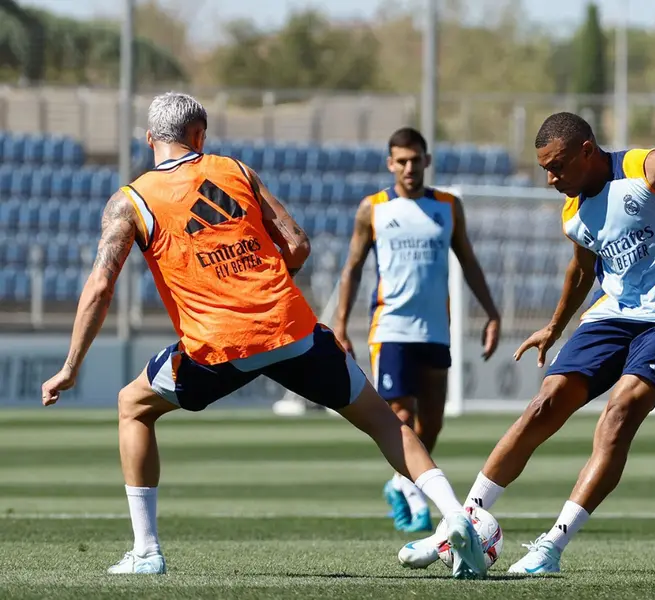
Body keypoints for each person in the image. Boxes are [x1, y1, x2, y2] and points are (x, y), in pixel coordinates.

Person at [39, 92, 490, 580]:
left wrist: (70, 366)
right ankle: (454, 516)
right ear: (199, 136)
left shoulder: (130, 201)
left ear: (150, 139)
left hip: (217, 347)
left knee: (133, 406)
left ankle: (146, 551)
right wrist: (264, 281)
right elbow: (296, 244)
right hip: (290, 327)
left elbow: (101, 285)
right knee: (384, 421)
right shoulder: (235, 170)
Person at [395, 111, 655, 575]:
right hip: (611, 314)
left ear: (586, 151)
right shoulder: (573, 209)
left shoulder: (648, 167)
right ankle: (459, 522)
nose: (549, 179)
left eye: (557, 166)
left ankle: (551, 547)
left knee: (618, 414)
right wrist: (555, 327)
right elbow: (581, 270)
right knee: (545, 402)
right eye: (544, 168)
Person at [331, 127, 501, 533]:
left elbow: (469, 261)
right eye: (401, 161)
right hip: (390, 328)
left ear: (427, 160)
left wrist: (492, 312)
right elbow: (353, 268)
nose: (409, 167)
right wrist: (339, 323)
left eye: (415, 159)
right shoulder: (372, 209)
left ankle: (398, 479)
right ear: (391, 164)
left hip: (435, 330)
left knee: (433, 423)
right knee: (401, 415)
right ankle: (413, 492)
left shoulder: (448, 206)